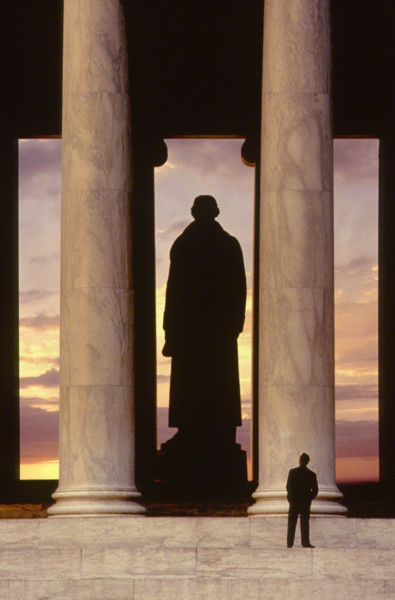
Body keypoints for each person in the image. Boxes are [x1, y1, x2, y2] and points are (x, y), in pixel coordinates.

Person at [162, 195, 247, 451]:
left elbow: (173, 289)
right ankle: (209, 433)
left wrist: (170, 328)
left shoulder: (185, 244)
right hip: (211, 328)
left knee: (197, 380)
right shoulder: (226, 244)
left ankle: (195, 432)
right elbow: (239, 288)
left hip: (197, 327)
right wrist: (235, 323)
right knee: (215, 380)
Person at [286, 453, 318, 548]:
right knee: (304, 523)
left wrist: (291, 499)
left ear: (299, 460)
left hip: (294, 501)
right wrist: (309, 498)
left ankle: (289, 543)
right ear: (307, 462)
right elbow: (315, 490)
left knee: (292, 523)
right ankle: (305, 542)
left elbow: (288, 487)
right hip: (305, 502)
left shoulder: (292, 472)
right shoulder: (311, 474)